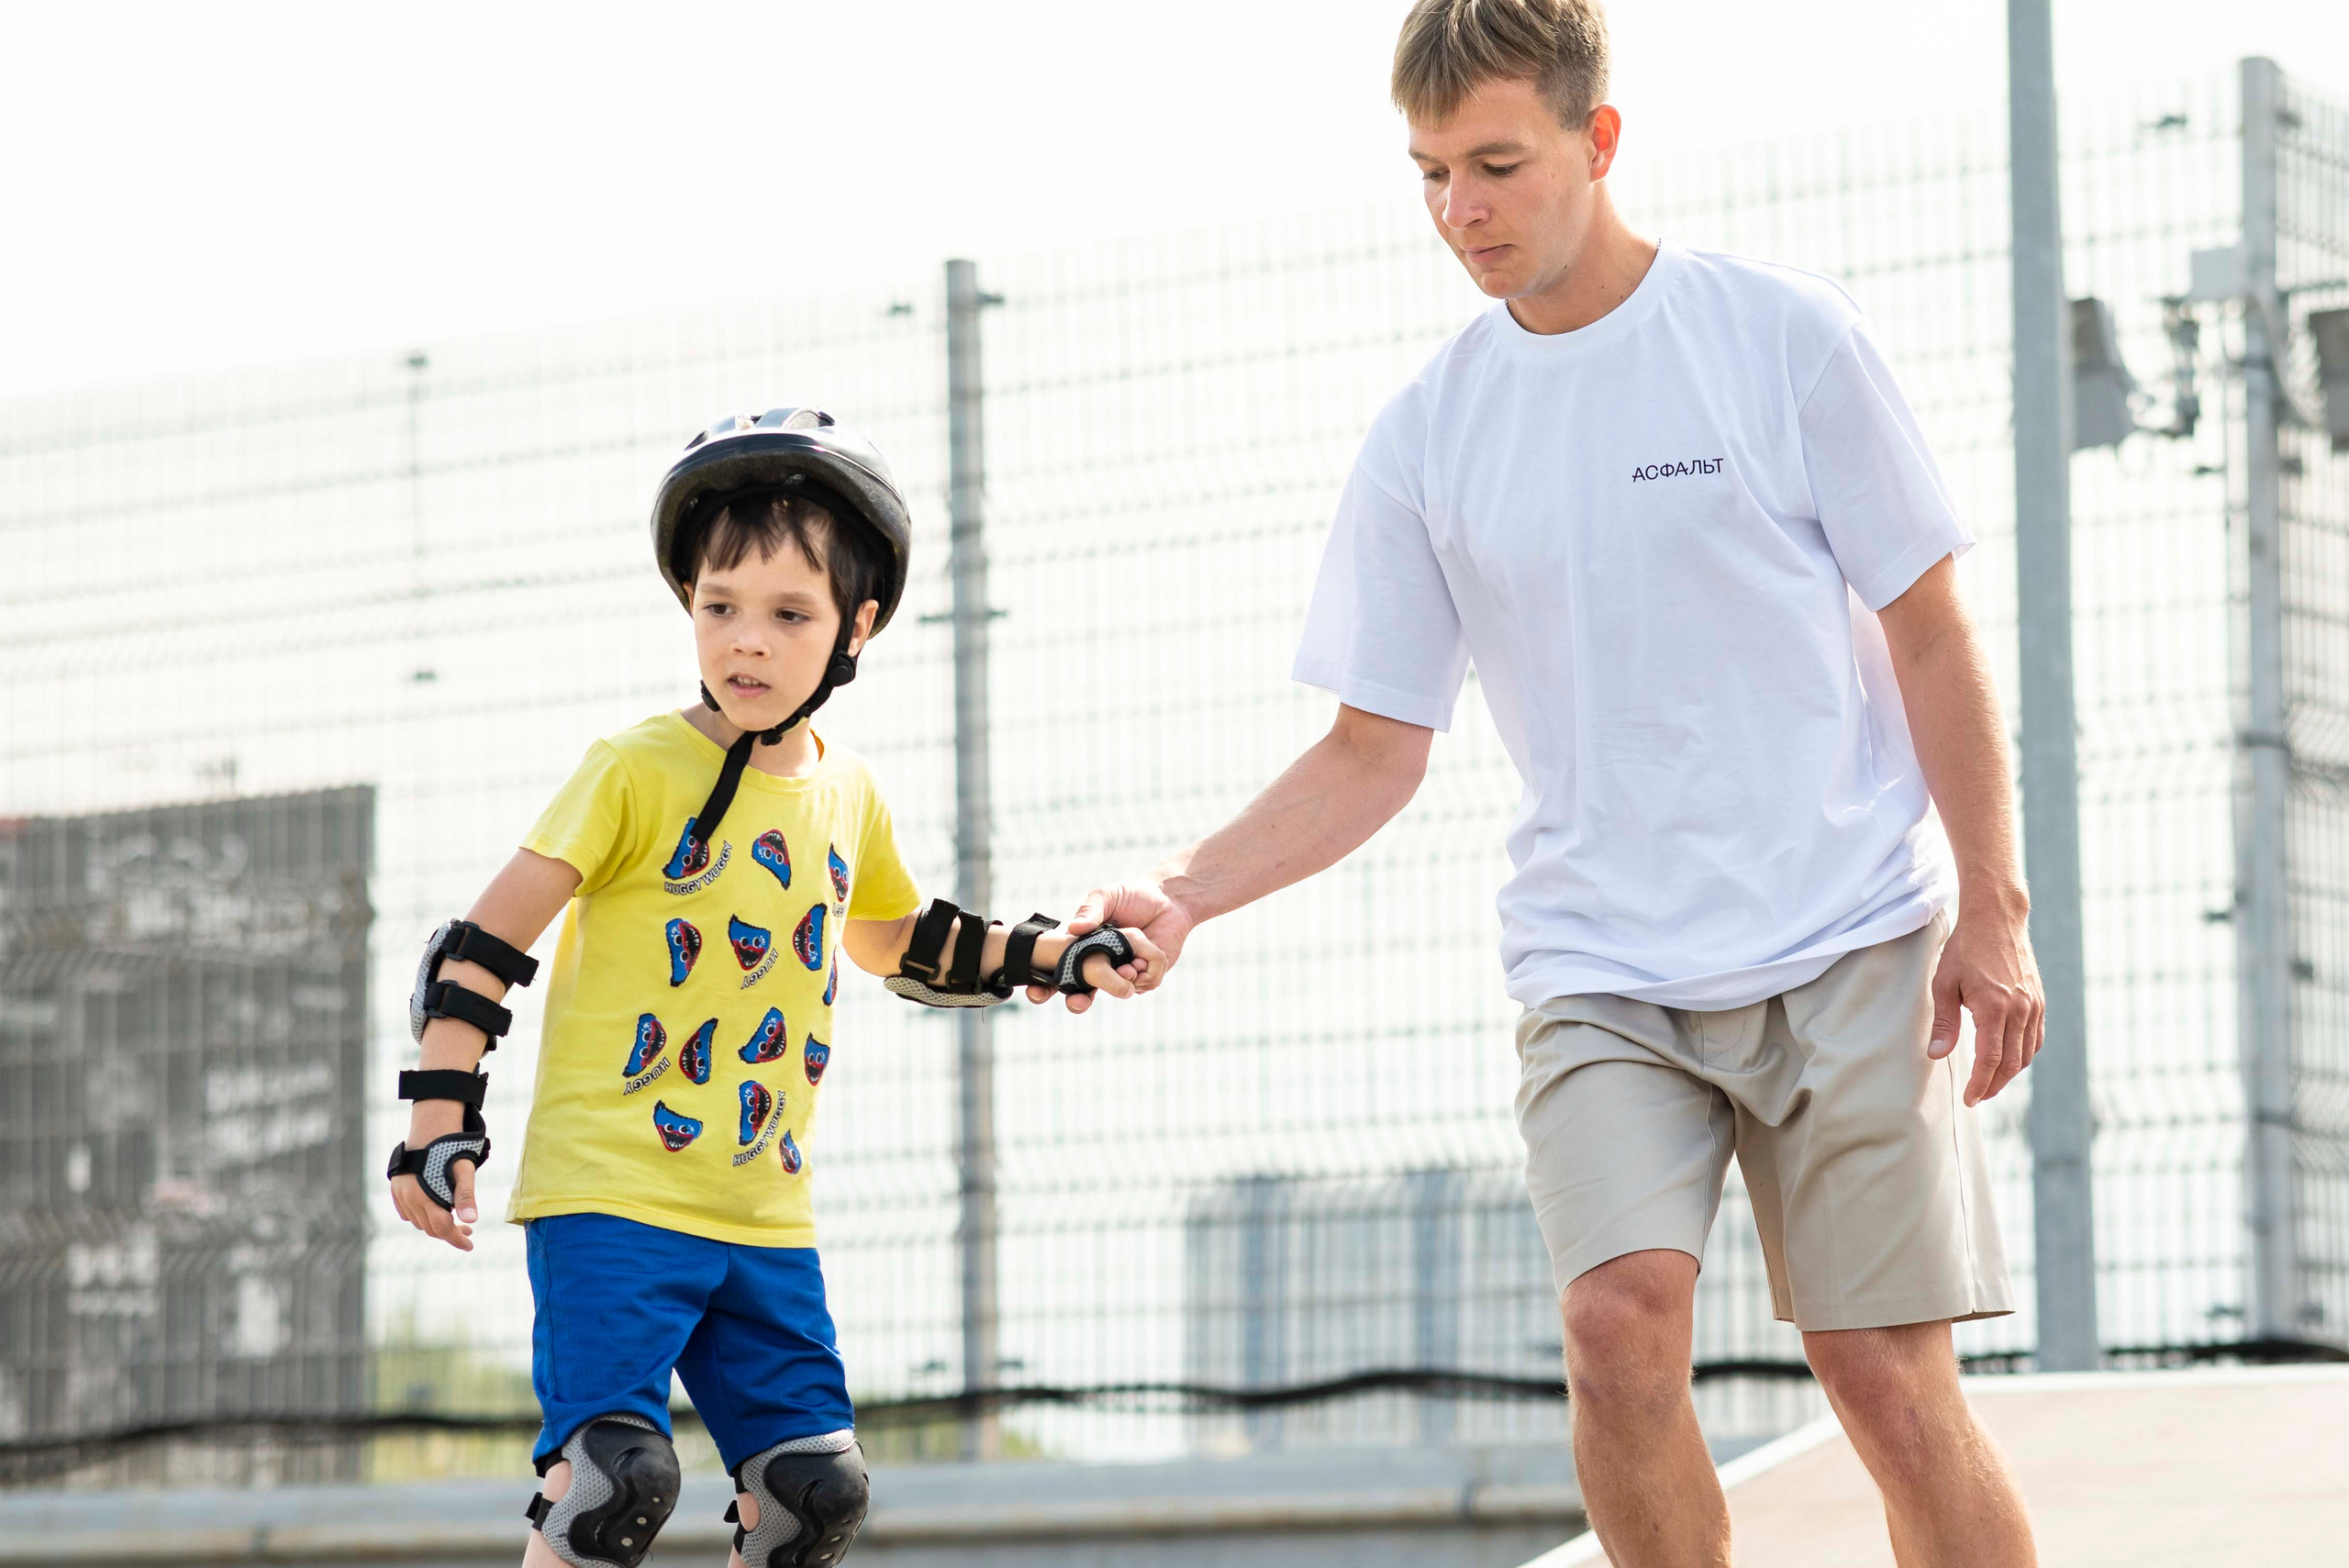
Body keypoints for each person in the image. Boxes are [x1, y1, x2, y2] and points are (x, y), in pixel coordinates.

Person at [1041, 3, 2044, 1563]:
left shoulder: (1781, 338)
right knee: (1614, 1323)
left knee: (1884, 1383)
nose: (1463, 212)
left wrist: (1996, 907)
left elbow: (1930, 636)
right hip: (1606, 966)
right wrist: (1183, 894)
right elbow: (1374, 746)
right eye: (1432, 175)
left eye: (1496, 166)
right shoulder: (1431, 432)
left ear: (1599, 140)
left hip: (1852, 934)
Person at [385, 407, 1154, 1568]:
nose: (746, 642)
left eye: (788, 615)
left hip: (762, 1213)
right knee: (613, 1482)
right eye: (719, 608)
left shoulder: (848, 794)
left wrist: (1049, 954)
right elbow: (482, 944)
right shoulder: (634, 768)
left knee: (813, 1494)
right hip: (614, 1193)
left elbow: (902, 941)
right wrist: (437, 1120)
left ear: (859, 625)